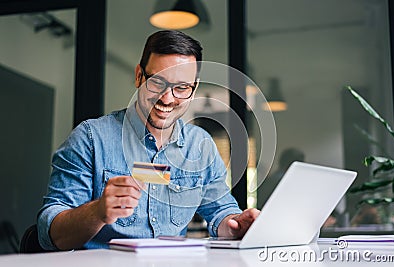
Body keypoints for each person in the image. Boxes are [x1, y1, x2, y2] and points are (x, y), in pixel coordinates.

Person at [37, 30, 259, 251]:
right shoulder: (90, 139)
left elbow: (221, 211)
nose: (167, 98)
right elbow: (51, 233)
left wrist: (236, 225)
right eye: (157, 82)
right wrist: (98, 211)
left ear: (194, 89)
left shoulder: (200, 145)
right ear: (138, 76)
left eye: (181, 87)